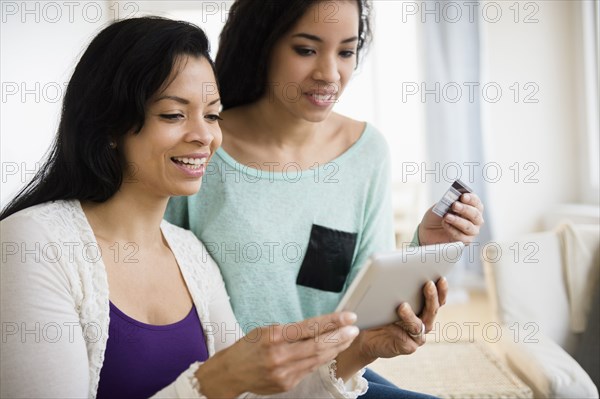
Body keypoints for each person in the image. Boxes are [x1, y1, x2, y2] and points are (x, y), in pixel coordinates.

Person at [0, 17, 372, 399]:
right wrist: (216, 380)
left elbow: (250, 394)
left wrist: (361, 350)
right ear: (110, 125)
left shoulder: (190, 254)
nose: (205, 136)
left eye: (212, 114)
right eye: (174, 114)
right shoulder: (33, 242)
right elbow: (227, 383)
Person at [165, 0, 485, 397]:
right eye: (306, 49)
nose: (330, 74)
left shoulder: (366, 152)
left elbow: (365, 304)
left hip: (333, 376)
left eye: (346, 51)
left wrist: (425, 248)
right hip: (231, 384)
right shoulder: (200, 148)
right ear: (262, 44)